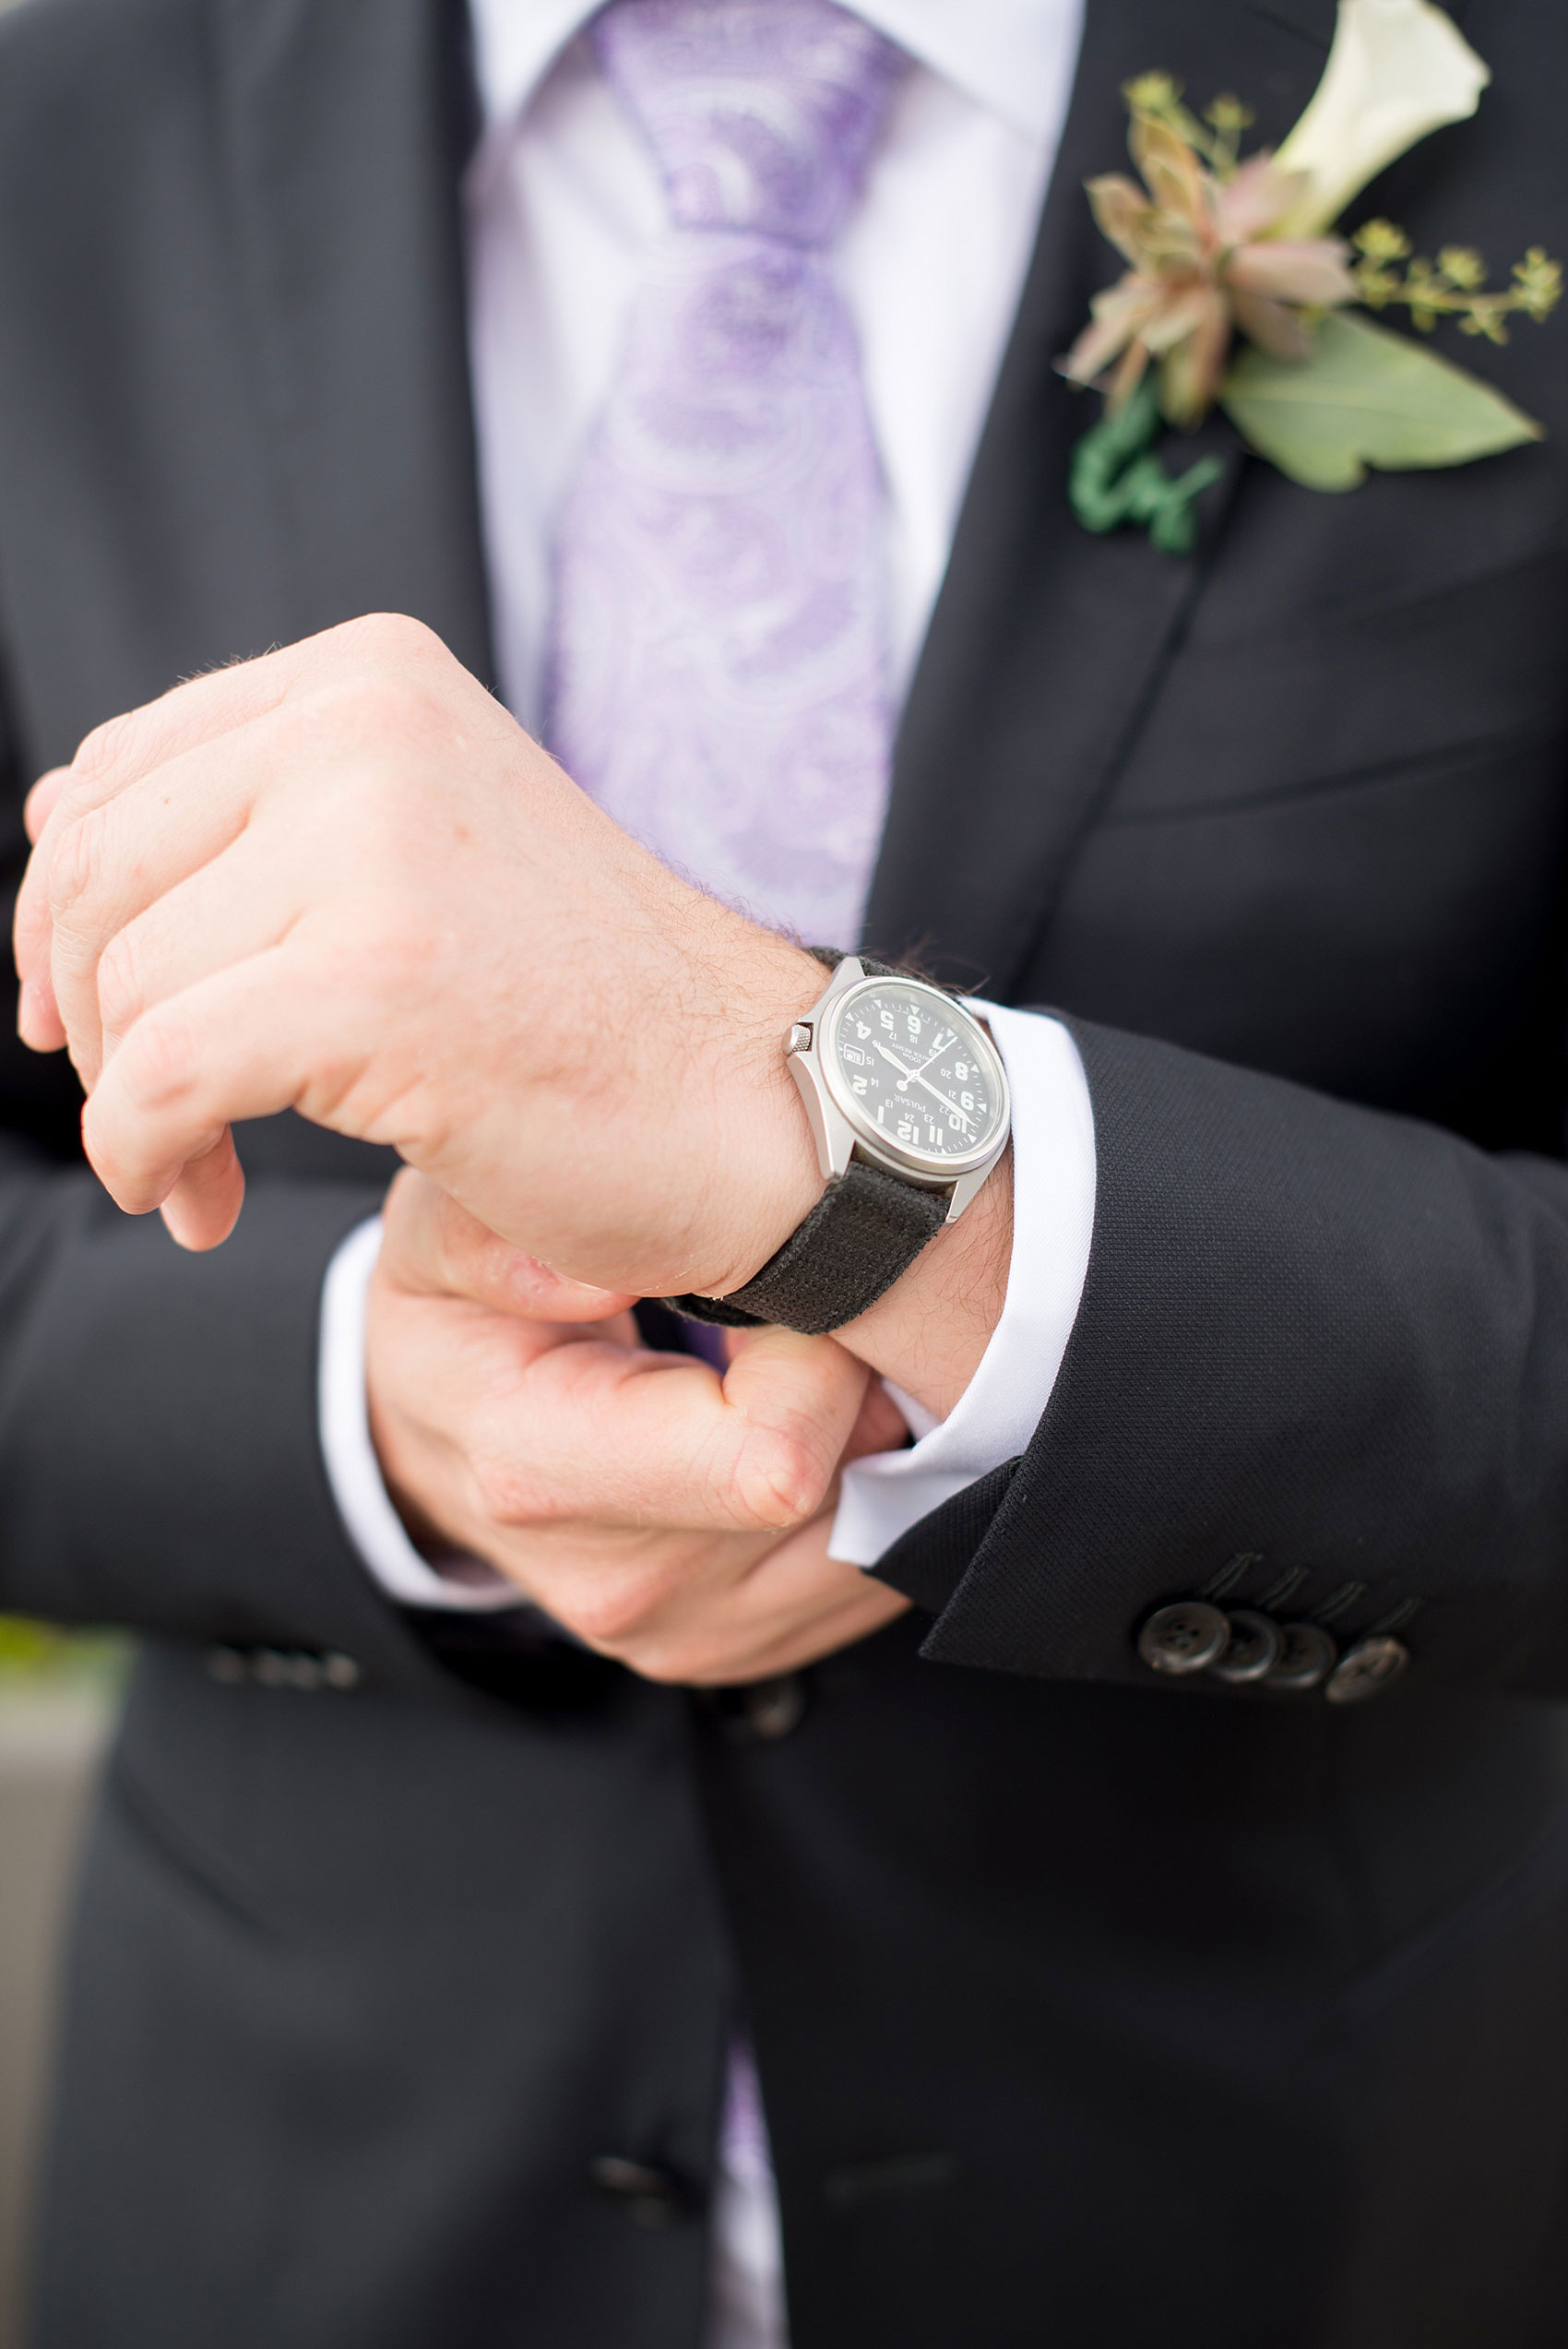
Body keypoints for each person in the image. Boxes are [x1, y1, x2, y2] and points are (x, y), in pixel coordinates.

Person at [6, 0, 1568, 2343]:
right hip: (285, 2209)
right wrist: (379, 1412)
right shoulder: (66, 123)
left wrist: (870, 1170)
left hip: (1302, 2196)